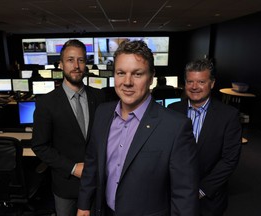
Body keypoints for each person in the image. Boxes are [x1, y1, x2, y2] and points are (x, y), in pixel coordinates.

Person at [77, 40, 199, 216]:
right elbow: (92, 164)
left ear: (151, 77)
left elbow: (185, 196)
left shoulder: (175, 127)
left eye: (137, 74)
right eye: (121, 73)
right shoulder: (102, 113)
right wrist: (83, 205)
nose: (127, 82)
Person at [31, 39, 105, 216]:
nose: (76, 65)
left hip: (97, 182)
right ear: (61, 64)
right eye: (70, 60)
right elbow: (39, 145)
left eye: (81, 60)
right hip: (66, 184)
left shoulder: (100, 97)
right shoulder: (46, 103)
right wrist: (72, 167)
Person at [167, 59, 242, 216]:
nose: (194, 87)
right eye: (190, 81)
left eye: (201, 81)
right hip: (173, 195)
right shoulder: (172, 110)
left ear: (212, 83)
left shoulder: (229, 116)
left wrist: (201, 190)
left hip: (209, 199)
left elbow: (229, 160)